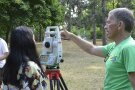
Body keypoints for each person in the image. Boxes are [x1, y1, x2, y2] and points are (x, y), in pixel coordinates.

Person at [61, 8, 135, 90]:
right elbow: (91, 48)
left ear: (120, 25)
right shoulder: (114, 46)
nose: (105, 27)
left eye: (108, 22)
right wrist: (71, 36)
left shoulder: (129, 48)